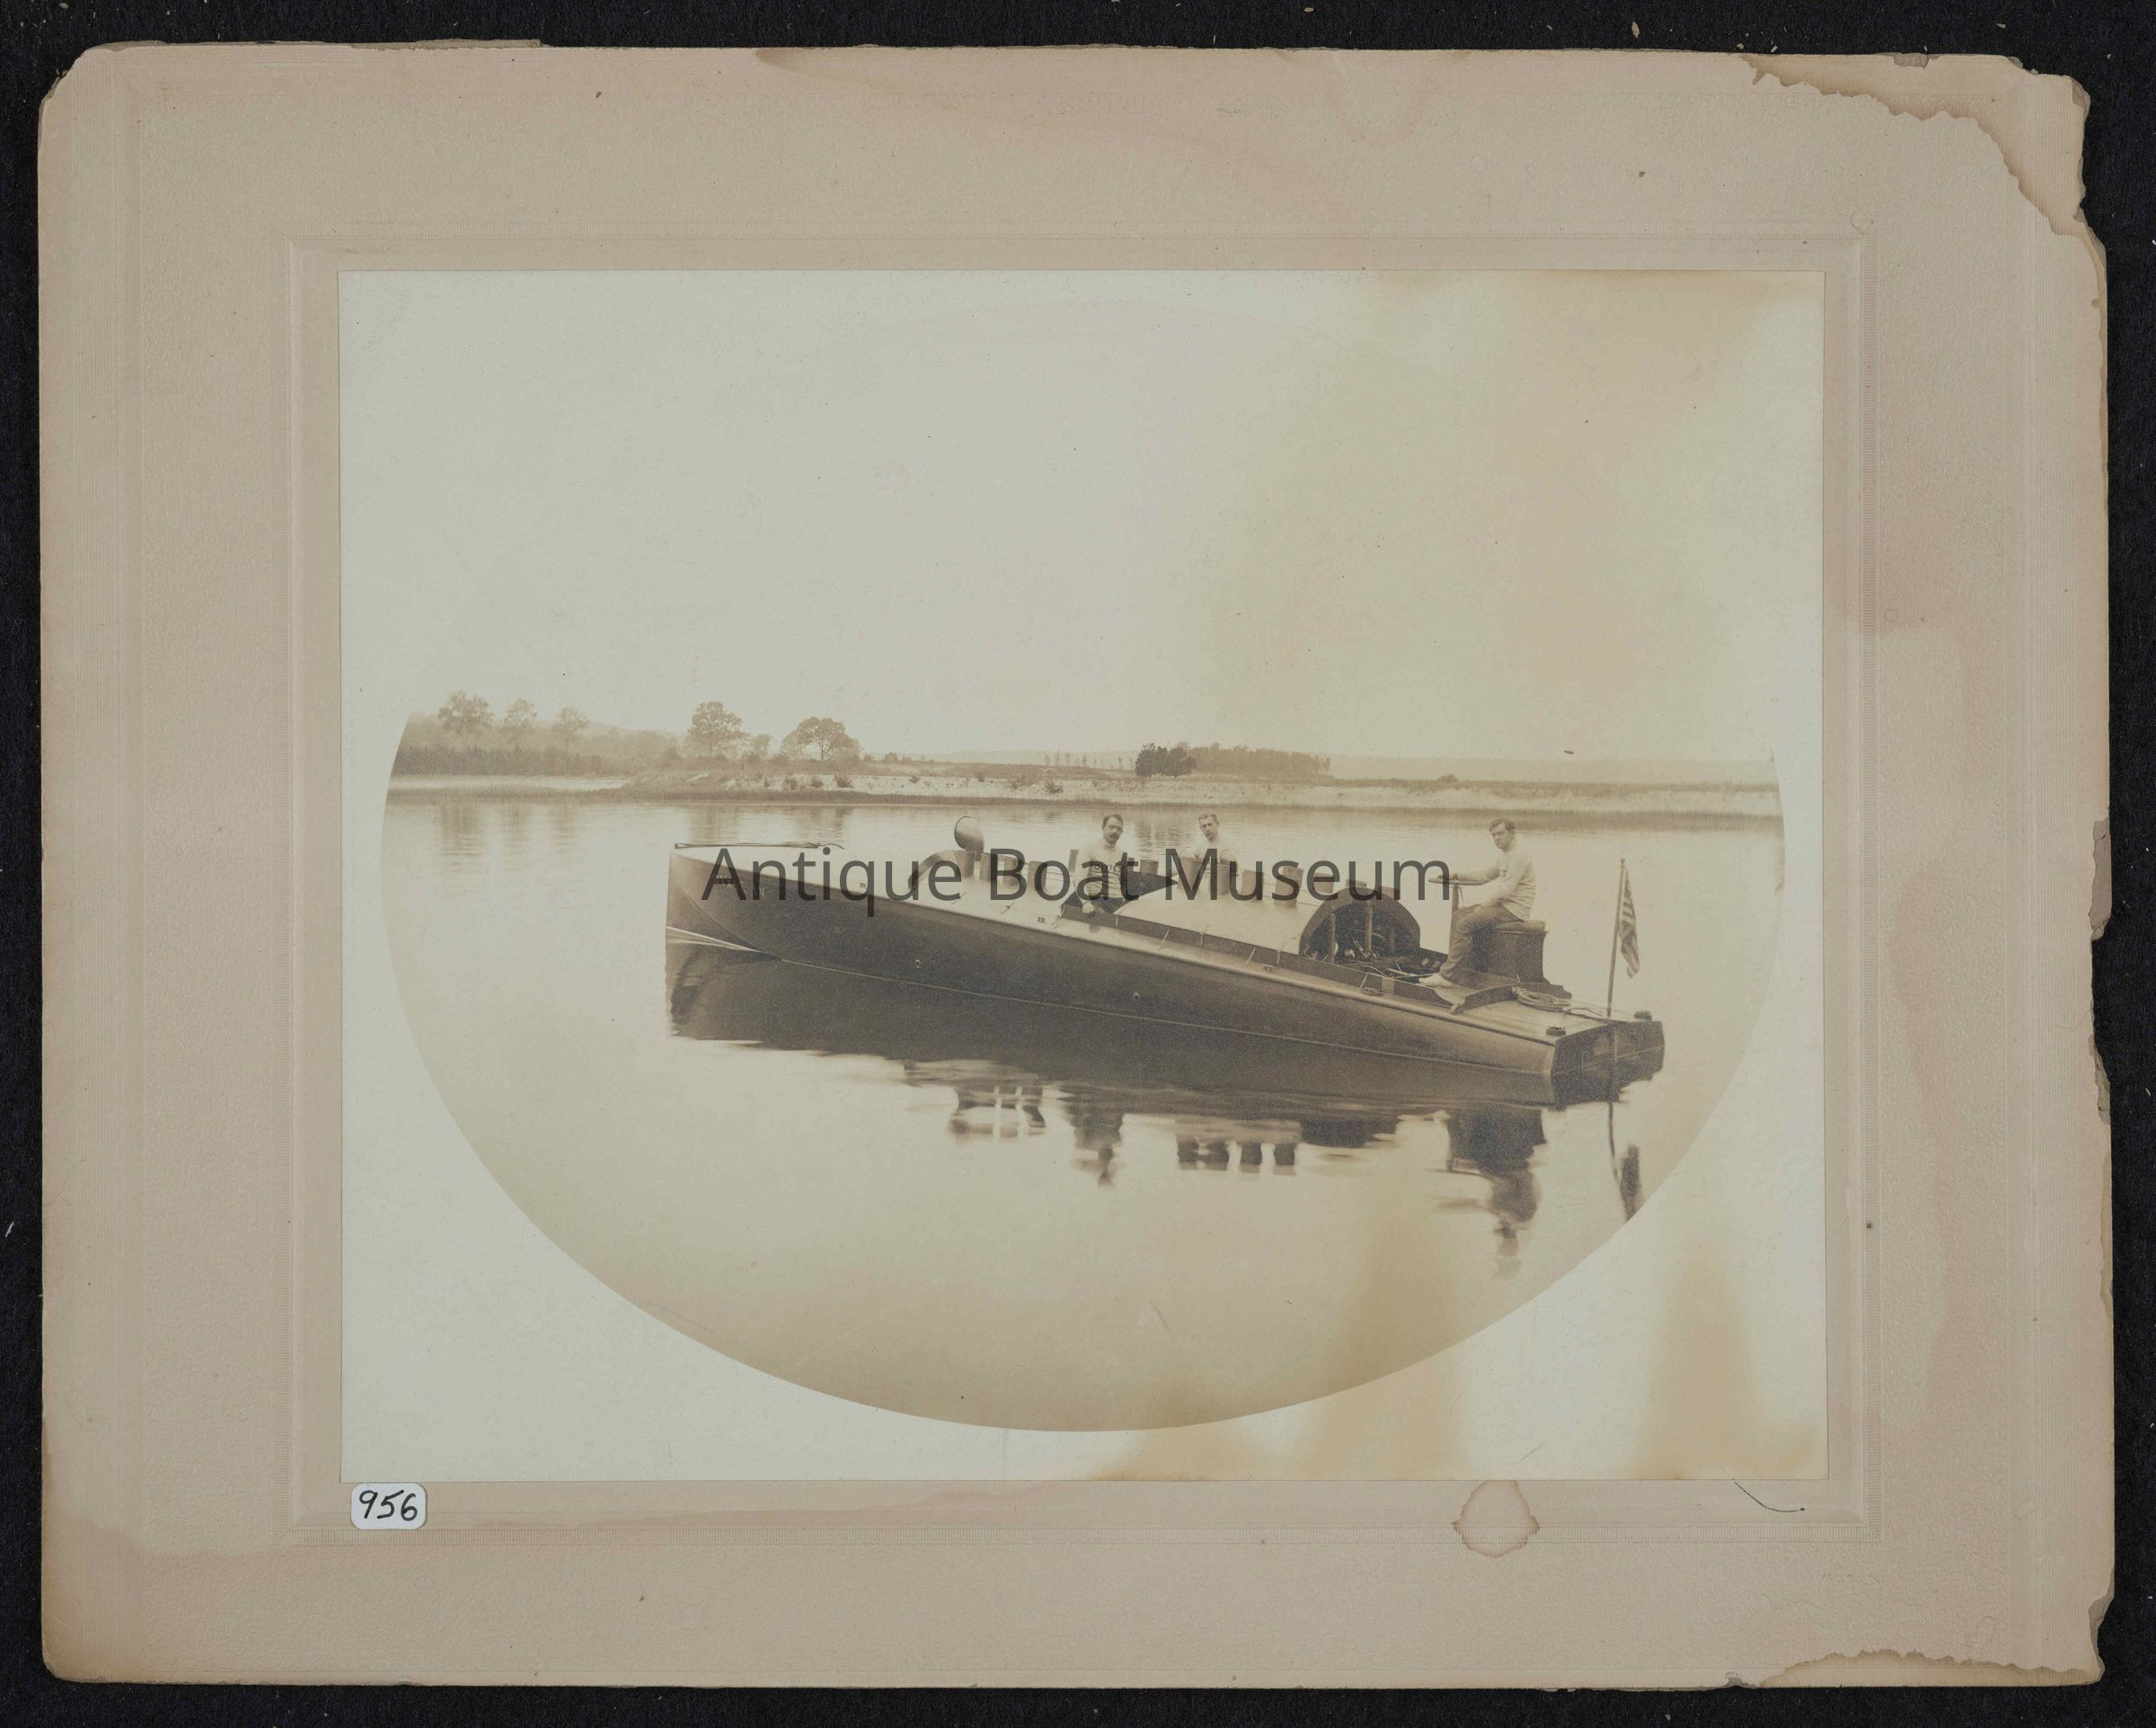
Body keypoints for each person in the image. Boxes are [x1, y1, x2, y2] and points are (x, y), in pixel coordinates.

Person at [1440, 817, 1536, 982]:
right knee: (1458, 916)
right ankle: (1461, 968)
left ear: (1512, 834)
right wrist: (1456, 875)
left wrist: (1484, 906)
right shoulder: (1505, 856)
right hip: (1503, 906)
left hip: (1514, 910)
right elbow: (1484, 876)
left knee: (1464, 924)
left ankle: (1446, 976)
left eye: (1500, 834)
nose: (1497, 838)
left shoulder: (1519, 856)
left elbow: (1506, 891)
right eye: (1493, 835)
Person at [1073, 812, 1132, 907]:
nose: (1115, 831)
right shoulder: (1088, 849)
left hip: (1117, 901)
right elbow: (1079, 879)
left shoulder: (1122, 854)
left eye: (1119, 829)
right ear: (1103, 827)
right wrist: (1086, 903)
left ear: (1121, 832)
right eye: (1111, 827)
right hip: (1096, 900)